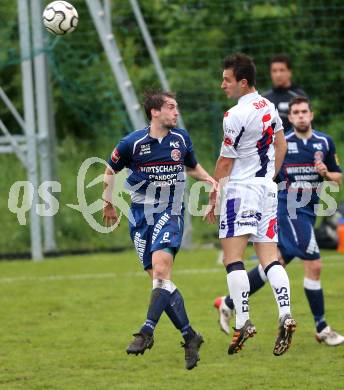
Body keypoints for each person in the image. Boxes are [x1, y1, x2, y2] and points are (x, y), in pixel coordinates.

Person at [214, 96, 344, 346]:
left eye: (305, 111)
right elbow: (266, 167)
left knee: (274, 263)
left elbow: (337, 177)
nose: (301, 116)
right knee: (314, 264)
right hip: (287, 210)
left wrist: (327, 174)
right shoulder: (282, 142)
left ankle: (228, 302)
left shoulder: (324, 142)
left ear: (311, 114)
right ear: (290, 118)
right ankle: (321, 327)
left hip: (308, 211)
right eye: (295, 112)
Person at [103, 90, 216, 370]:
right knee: (160, 283)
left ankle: (146, 331)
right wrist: (108, 204)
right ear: (155, 112)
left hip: (171, 210)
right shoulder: (133, 143)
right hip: (140, 216)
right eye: (171, 107)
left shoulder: (181, 139)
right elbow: (109, 170)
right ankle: (190, 336)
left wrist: (211, 180)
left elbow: (191, 167)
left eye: (176, 107)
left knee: (162, 272)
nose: (176, 112)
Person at [205, 53, 296, 356]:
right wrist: (270, 177)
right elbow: (281, 145)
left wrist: (214, 194)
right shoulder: (269, 107)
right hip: (266, 190)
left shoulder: (234, 115)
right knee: (270, 258)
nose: (222, 85)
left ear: (243, 82)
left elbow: (224, 162)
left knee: (233, 259)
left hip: (240, 191)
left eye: (227, 80)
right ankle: (285, 312)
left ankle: (242, 321)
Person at [263, 54, 307, 132]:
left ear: (289, 72)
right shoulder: (264, 99)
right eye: (274, 71)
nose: (278, 74)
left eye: (282, 70)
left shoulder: (299, 97)